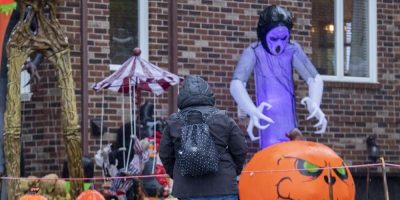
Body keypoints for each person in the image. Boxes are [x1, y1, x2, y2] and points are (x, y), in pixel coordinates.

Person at [230, 5, 328, 149]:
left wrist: (314, 103)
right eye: (274, 38)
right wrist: (251, 110)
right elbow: (236, 84)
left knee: (290, 152)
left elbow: (315, 78)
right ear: (264, 34)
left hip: (288, 118)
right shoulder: (254, 52)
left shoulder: (292, 49)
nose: (279, 44)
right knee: (271, 153)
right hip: (267, 119)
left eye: (284, 38)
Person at [160, 75, 248, 200]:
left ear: (182, 96)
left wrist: (177, 173)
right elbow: (241, 148)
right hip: (223, 187)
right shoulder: (223, 119)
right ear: (209, 94)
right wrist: (234, 170)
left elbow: (165, 154)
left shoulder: (173, 122)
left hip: (187, 190)